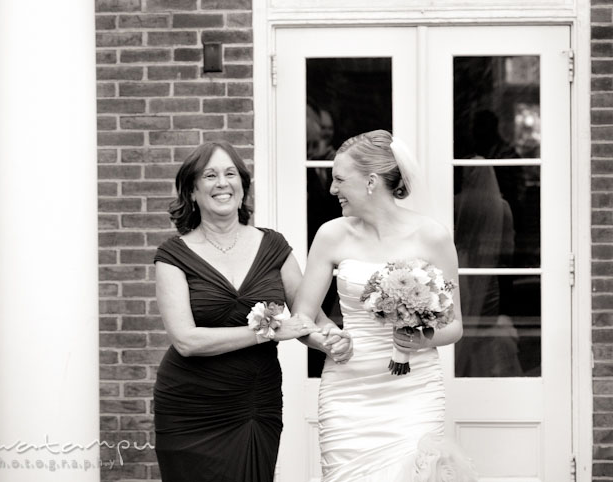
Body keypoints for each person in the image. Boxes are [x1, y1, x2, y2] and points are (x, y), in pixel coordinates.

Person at [152, 141, 353, 482]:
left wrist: (331, 340)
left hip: (253, 403)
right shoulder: (173, 255)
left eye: (231, 174)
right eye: (210, 175)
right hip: (190, 405)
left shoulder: (273, 246)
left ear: (242, 186)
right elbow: (187, 340)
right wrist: (269, 331)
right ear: (192, 190)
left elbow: (309, 318)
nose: (222, 183)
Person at [292, 130, 473, 481]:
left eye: (340, 179)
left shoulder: (432, 236)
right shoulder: (331, 235)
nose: (332, 189)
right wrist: (326, 338)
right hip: (347, 394)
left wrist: (421, 339)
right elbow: (303, 317)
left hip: (413, 392)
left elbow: (454, 326)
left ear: (371, 181)